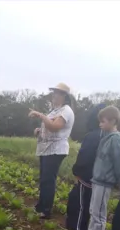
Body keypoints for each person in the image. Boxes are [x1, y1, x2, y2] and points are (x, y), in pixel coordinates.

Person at [29, 83, 75, 219]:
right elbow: (48, 127)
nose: (54, 95)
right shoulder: (54, 111)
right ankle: (40, 205)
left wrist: (41, 116)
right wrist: (39, 131)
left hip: (56, 150)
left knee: (48, 180)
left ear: (64, 96)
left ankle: (46, 210)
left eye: (57, 93)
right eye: (54, 92)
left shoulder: (66, 111)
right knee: (44, 179)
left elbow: (55, 127)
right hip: (45, 149)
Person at [86, 105, 120, 230]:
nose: (100, 124)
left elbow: (119, 162)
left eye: (103, 121)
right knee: (93, 210)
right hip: (97, 179)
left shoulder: (116, 139)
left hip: (104, 181)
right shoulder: (105, 136)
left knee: (99, 212)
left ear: (113, 121)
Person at [65, 103, 105, 230]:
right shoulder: (111, 136)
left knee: (82, 205)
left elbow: (85, 156)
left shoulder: (93, 136)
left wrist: (76, 172)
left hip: (87, 177)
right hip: (101, 180)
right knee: (95, 209)